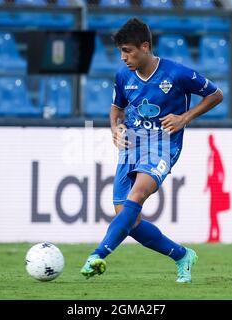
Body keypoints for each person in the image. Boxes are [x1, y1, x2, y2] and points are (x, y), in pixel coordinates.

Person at [81, 18, 223, 283]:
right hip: (131, 146)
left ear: (145, 46)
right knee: (127, 220)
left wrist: (185, 118)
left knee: (138, 195)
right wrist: (115, 127)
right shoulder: (123, 75)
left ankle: (97, 254)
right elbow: (117, 109)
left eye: (128, 51)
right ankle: (182, 255)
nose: (123, 57)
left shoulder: (177, 73)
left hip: (162, 145)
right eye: (121, 52)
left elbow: (216, 94)